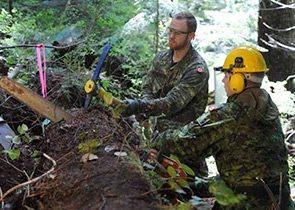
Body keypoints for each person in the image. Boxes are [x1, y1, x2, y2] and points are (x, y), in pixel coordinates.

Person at [151, 45, 294, 210]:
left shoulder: (228, 115)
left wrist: (155, 140)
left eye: (228, 75)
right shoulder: (268, 109)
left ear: (238, 80)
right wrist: (195, 187)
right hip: (281, 204)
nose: (224, 80)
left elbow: (182, 144)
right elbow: (245, 174)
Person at [120, 12, 209, 178]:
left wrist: (139, 106)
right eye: (170, 31)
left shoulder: (197, 69)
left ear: (191, 36)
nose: (171, 36)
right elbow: (147, 87)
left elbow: (171, 103)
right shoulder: (161, 58)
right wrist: (145, 108)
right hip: (156, 138)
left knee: (188, 192)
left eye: (177, 33)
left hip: (183, 144)